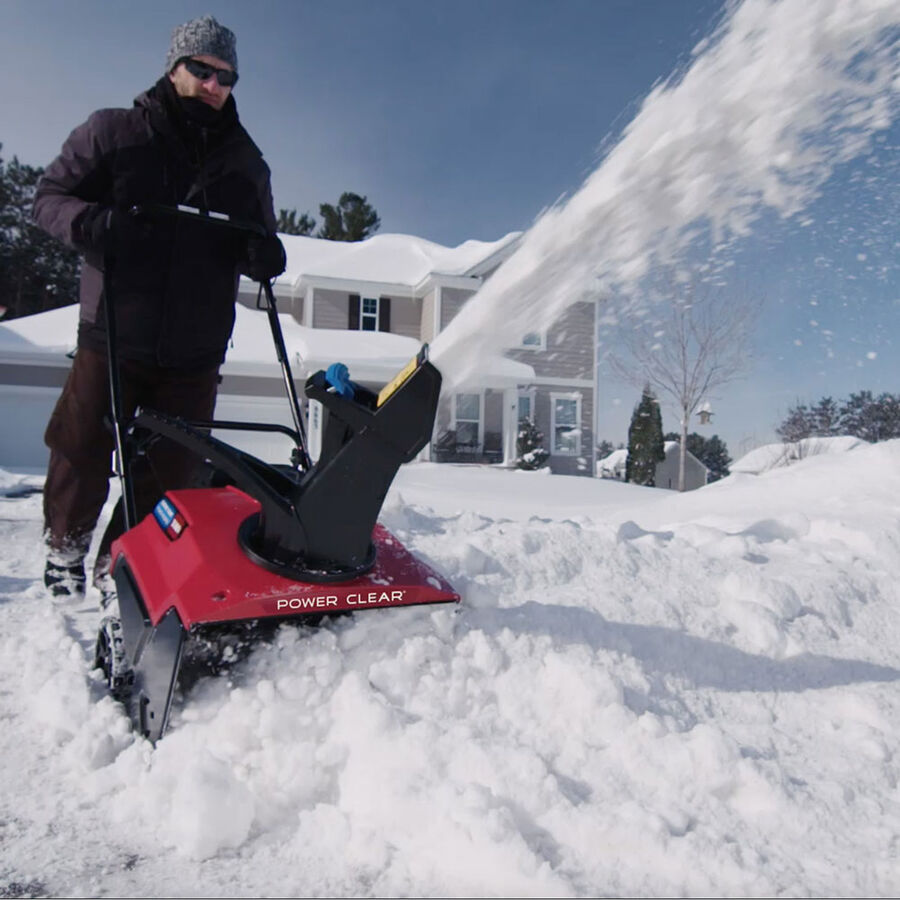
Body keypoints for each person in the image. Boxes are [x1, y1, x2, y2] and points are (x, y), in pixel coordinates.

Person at [33, 15, 286, 603]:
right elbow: (48, 199)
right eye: (202, 70)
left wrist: (264, 253)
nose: (215, 84)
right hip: (115, 329)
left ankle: (121, 566)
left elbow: (265, 240)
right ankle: (65, 552)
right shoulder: (115, 133)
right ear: (174, 67)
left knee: (169, 471)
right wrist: (92, 224)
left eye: (227, 76)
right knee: (82, 447)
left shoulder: (246, 164)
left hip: (195, 347)